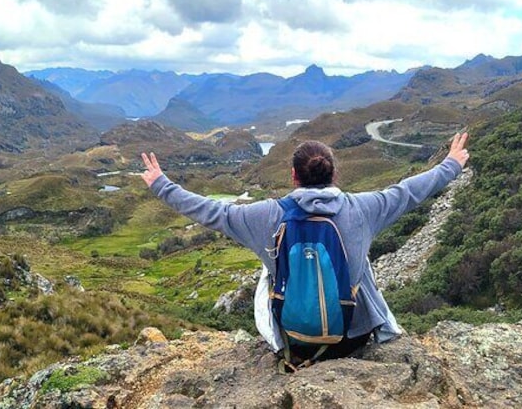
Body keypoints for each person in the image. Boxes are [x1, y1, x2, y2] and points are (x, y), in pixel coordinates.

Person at [141, 132, 470, 360]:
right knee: (362, 265)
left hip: (294, 340)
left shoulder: (266, 215)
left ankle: (282, 336)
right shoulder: (364, 209)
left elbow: (213, 211)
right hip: (349, 340)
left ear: (293, 176)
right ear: (334, 174)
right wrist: (451, 164)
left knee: (268, 268)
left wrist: (162, 185)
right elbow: (409, 191)